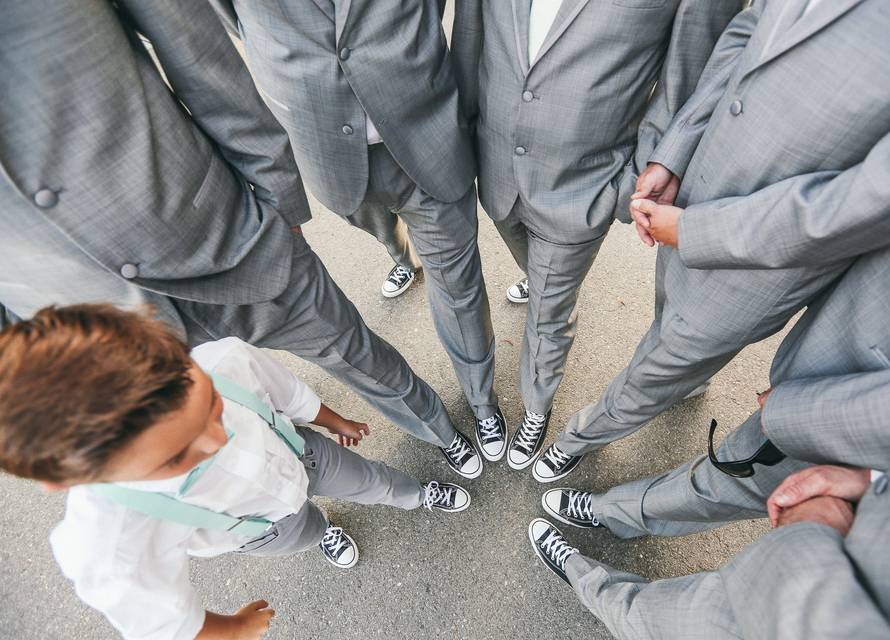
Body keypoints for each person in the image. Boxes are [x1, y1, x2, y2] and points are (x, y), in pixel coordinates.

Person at [0, 0, 485, 479]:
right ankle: (305, 499)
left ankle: (437, 429)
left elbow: (199, 53)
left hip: (221, 234)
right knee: (224, 434)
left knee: (353, 354)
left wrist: (278, 203)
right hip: (85, 334)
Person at [535, 0, 890, 482]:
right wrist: (673, 155)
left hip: (771, 257)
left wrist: (696, 231)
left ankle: (584, 435)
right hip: (693, 187)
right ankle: (690, 384)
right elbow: (748, 30)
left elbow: (881, 197)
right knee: (667, 317)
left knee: (660, 366)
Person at [0, 305, 472, 640]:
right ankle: (323, 529)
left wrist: (332, 420)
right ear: (73, 478)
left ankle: (413, 494)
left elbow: (285, 393)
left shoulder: (222, 359)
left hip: (299, 453)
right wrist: (236, 629)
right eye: (176, 456)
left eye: (211, 403)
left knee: (372, 480)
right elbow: (165, 624)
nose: (218, 438)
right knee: (303, 532)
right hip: (255, 530)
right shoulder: (107, 543)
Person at [208, 0, 509, 464]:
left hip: (426, 127)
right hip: (327, 149)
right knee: (382, 229)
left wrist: (469, 106)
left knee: (458, 283)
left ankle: (481, 398)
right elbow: (241, 24)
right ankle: (401, 255)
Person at [538, 212, 890, 540]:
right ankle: (687, 392)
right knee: (730, 450)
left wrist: (805, 418)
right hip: (844, 340)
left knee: (724, 483)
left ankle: (619, 513)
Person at [451, 0, 743, 472]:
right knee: (536, 269)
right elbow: (471, 37)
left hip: (583, 189)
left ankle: (535, 407)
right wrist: (461, 137)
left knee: (549, 316)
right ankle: (544, 280)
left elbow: (689, 75)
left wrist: (634, 173)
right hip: (496, 166)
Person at [528, 456, 890, 639]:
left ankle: (581, 575)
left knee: (641, 617)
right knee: (712, 489)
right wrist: (876, 480)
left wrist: (808, 533)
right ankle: (613, 513)